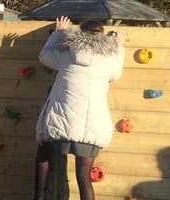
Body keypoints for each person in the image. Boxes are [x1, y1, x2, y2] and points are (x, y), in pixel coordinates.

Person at [34, 16, 125, 200]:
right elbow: (115, 75)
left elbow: (44, 57)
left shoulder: (66, 53)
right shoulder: (108, 59)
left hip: (60, 123)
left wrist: (58, 34)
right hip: (91, 127)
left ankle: (39, 197)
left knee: (44, 155)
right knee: (84, 177)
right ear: (102, 36)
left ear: (80, 33)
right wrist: (119, 46)